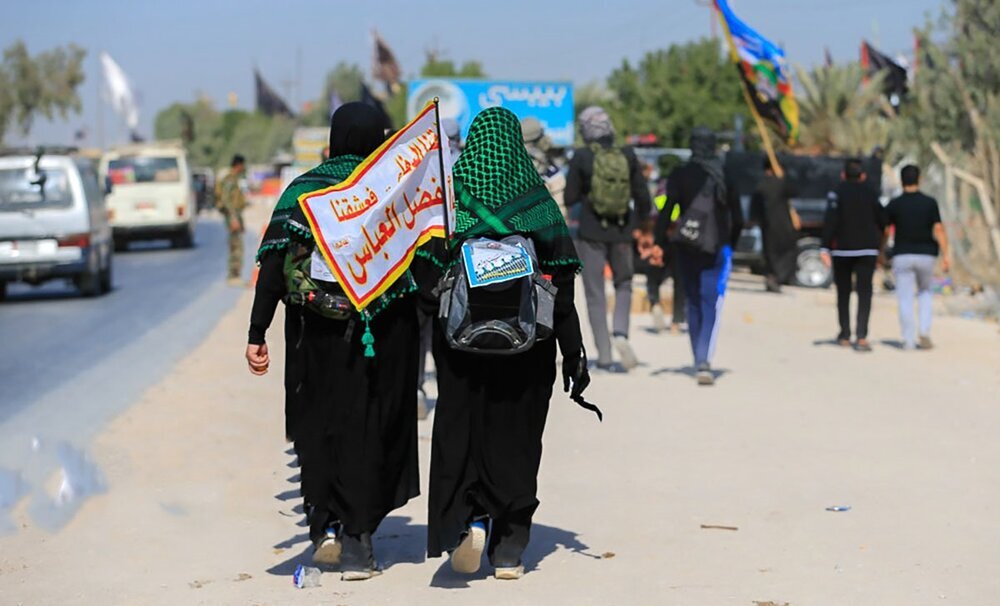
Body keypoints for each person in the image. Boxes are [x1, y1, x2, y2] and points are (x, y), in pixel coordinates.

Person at [422, 107, 592, 580]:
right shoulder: (538, 205)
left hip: (460, 346)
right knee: (517, 437)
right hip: (527, 346)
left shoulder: (449, 204)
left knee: (464, 429)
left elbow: (425, 281)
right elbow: (562, 289)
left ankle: (469, 519)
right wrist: (573, 353)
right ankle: (509, 549)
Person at [274, 103, 421, 581]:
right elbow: (424, 260)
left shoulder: (304, 190)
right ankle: (359, 543)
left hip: (315, 335)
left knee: (321, 426)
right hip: (384, 333)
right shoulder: (391, 190)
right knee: (371, 428)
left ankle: (325, 528)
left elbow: (274, 261)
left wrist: (257, 332)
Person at [565, 106, 652, 371]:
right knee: (624, 282)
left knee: (595, 294)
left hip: (591, 233)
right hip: (623, 231)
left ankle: (604, 356)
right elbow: (643, 197)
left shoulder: (581, 156)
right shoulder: (627, 154)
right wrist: (641, 225)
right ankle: (621, 333)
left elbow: (570, 197)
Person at [655, 127, 743, 386]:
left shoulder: (680, 174)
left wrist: (660, 241)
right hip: (717, 247)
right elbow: (738, 217)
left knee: (692, 300)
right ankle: (704, 358)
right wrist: (731, 243)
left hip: (686, 245)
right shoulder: (725, 174)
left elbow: (667, 210)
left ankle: (698, 356)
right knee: (709, 301)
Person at [821, 158, 887, 352]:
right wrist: (880, 246)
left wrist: (825, 247)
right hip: (867, 250)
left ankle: (844, 334)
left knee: (843, 293)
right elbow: (883, 219)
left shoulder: (837, 193)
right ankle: (862, 336)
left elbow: (830, 221)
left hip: (842, 250)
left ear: (843, 175)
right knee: (865, 293)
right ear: (863, 175)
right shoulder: (871, 192)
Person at [884, 164, 950, 350]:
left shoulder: (895, 204)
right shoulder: (930, 202)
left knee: (904, 297)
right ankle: (924, 331)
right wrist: (946, 254)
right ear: (919, 179)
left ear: (901, 181)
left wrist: (881, 251)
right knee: (925, 293)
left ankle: (908, 340)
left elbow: (886, 231)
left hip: (902, 255)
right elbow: (939, 229)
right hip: (926, 255)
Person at [750, 157, 800, 293]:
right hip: (783, 225)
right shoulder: (781, 183)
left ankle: (772, 277)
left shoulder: (761, 185)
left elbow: (755, 206)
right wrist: (783, 177)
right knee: (785, 253)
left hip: (767, 226)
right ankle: (778, 278)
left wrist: (754, 220)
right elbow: (794, 191)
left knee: (770, 254)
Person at [217, 154, 247, 286]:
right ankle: (234, 275)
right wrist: (233, 218)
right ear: (239, 165)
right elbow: (226, 199)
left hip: (234, 216)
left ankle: (234, 274)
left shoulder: (233, 178)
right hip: (232, 217)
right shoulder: (230, 179)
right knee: (236, 246)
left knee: (236, 244)